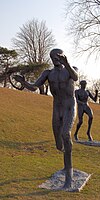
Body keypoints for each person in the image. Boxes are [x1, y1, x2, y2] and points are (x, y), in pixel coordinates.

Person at [13, 48, 78, 189]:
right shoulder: (48, 73)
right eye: (52, 56)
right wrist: (23, 83)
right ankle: (65, 164)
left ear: (63, 56)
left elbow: (76, 77)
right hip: (57, 108)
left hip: (69, 107)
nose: (55, 58)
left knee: (66, 135)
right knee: (59, 145)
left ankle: (69, 175)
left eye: (58, 55)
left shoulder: (70, 69)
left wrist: (67, 64)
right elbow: (34, 87)